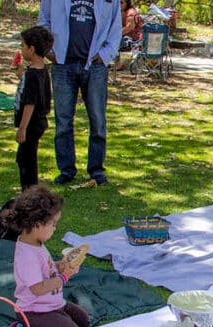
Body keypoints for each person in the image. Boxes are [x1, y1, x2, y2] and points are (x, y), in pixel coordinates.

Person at [38, 0, 123, 188]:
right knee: (63, 120)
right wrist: (48, 51)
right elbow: (44, 20)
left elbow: (115, 28)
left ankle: (96, 170)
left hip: (95, 65)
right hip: (62, 63)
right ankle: (66, 170)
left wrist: (105, 54)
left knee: (98, 120)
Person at [1, 185, 89, 327]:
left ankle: (51, 324)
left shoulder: (36, 242)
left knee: (83, 319)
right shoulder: (27, 256)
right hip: (35, 311)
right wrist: (64, 277)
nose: (55, 228)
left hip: (53, 304)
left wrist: (58, 266)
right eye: (53, 224)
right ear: (37, 225)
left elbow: (44, 268)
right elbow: (37, 288)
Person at [14, 26, 55, 191]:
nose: (21, 49)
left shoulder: (32, 75)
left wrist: (22, 128)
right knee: (24, 157)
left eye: (23, 45)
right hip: (40, 121)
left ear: (31, 49)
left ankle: (29, 193)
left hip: (32, 123)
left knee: (26, 159)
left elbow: (30, 103)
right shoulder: (41, 70)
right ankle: (30, 191)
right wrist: (21, 74)